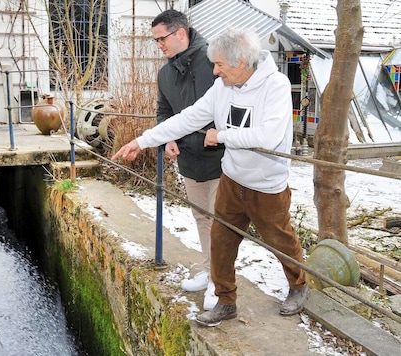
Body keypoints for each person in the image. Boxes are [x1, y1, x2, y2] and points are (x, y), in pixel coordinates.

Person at [111, 27, 309, 327]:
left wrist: (221, 135)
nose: (215, 71)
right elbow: (188, 118)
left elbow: (268, 136)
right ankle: (225, 301)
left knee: (280, 239)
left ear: (241, 62)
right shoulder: (223, 88)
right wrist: (143, 141)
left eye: (220, 65)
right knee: (221, 241)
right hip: (232, 178)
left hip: (267, 184)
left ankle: (298, 285)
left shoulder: (277, 86)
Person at [151, 10, 224, 311]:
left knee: (221, 221)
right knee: (202, 218)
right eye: (155, 41)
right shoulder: (165, 74)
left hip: (222, 156)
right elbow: (163, 111)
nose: (159, 46)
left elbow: (236, 102)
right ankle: (209, 271)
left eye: (161, 39)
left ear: (180, 33)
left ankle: (221, 282)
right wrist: (168, 138)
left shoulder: (214, 60)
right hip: (189, 157)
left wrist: (223, 132)